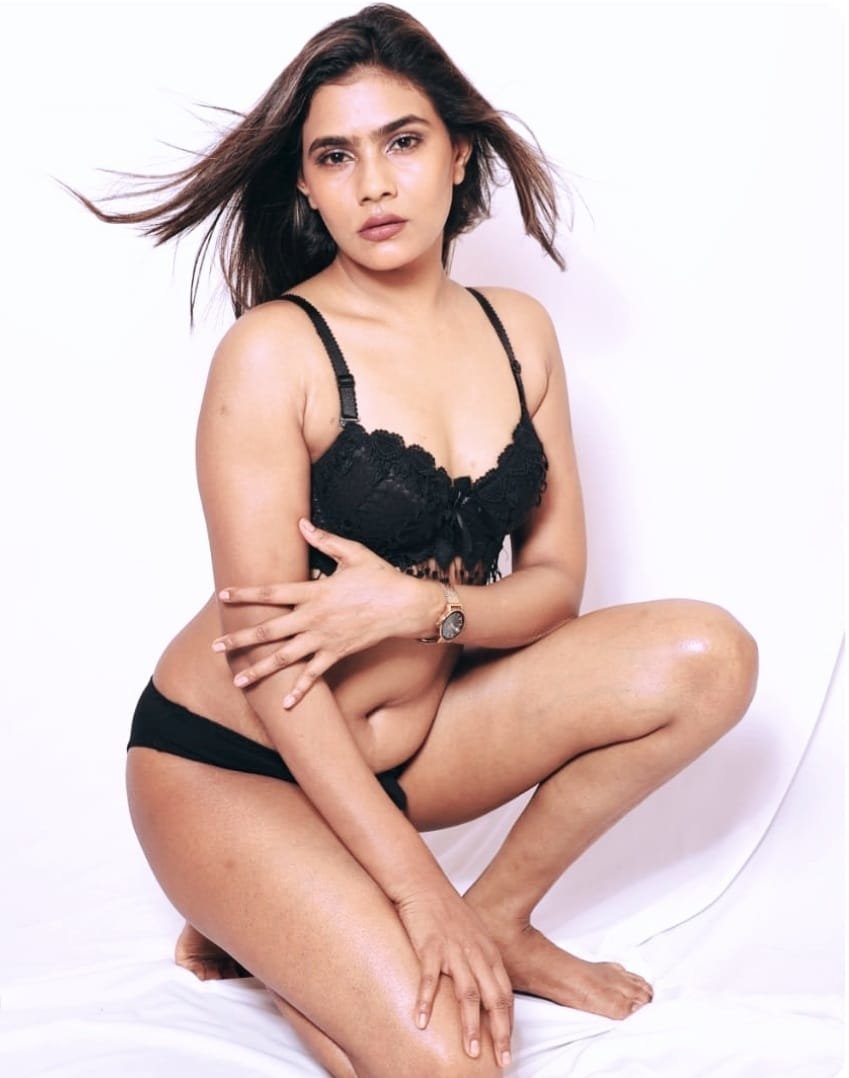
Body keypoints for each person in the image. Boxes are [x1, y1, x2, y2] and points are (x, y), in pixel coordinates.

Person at [76, 5, 758, 1075]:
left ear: (458, 155)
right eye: (334, 156)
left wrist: (416, 607)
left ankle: (500, 920)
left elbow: (554, 587)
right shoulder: (275, 353)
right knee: (456, 1059)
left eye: (402, 141)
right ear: (307, 187)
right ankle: (264, 916)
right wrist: (417, 894)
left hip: (417, 752)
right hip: (236, 766)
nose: (374, 184)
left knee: (710, 656)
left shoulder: (517, 332)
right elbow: (270, 669)